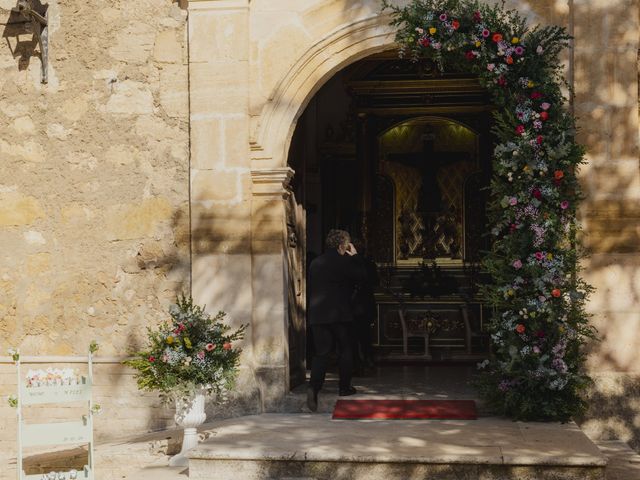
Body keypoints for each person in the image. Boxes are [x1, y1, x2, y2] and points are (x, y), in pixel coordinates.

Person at [306, 229, 365, 412]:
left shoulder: (315, 262)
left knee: (321, 352)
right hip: (340, 314)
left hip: (318, 315)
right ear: (342, 245)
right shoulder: (346, 261)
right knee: (345, 349)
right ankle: (344, 387)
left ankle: (314, 388)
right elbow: (364, 277)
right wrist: (355, 257)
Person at [350, 239, 378, 372]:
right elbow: (375, 282)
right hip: (366, 304)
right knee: (366, 336)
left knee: (353, 337)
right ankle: (368, 358)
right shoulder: (370, 264)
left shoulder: (350, 263)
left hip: (354, 305)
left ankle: (357, 363)